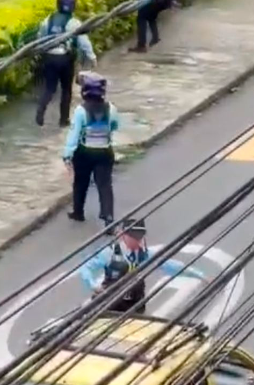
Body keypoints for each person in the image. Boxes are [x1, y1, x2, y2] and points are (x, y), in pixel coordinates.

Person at [77, 219, 208, 313]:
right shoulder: (109, 253)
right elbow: (86, 268)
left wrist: (199, 275)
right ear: (122, 235)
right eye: (133, 237)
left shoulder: (144, 254)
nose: (137, 240)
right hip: (110, 305)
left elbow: (171, 265)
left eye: (139, 237)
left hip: (136, 306)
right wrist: (93, 285)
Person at [36, 0, 98, 127]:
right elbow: (83, 42)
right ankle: (63, 120)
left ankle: (40, 112)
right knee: (66, 89)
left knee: (49, 88)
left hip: (49, 56)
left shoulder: (48, 20)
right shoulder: (74, 22)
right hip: (65, 58)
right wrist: (92, 56)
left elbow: (39, 38)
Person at [62, 71, 117, 223]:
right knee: (105, 185)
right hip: (105, 152)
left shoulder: (81, 111)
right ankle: (108, 215)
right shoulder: (111, 109)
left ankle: (78, 212)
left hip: (84, 153)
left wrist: (67, 154)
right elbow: (114, 125)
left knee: (81, 182)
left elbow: (74, 134)